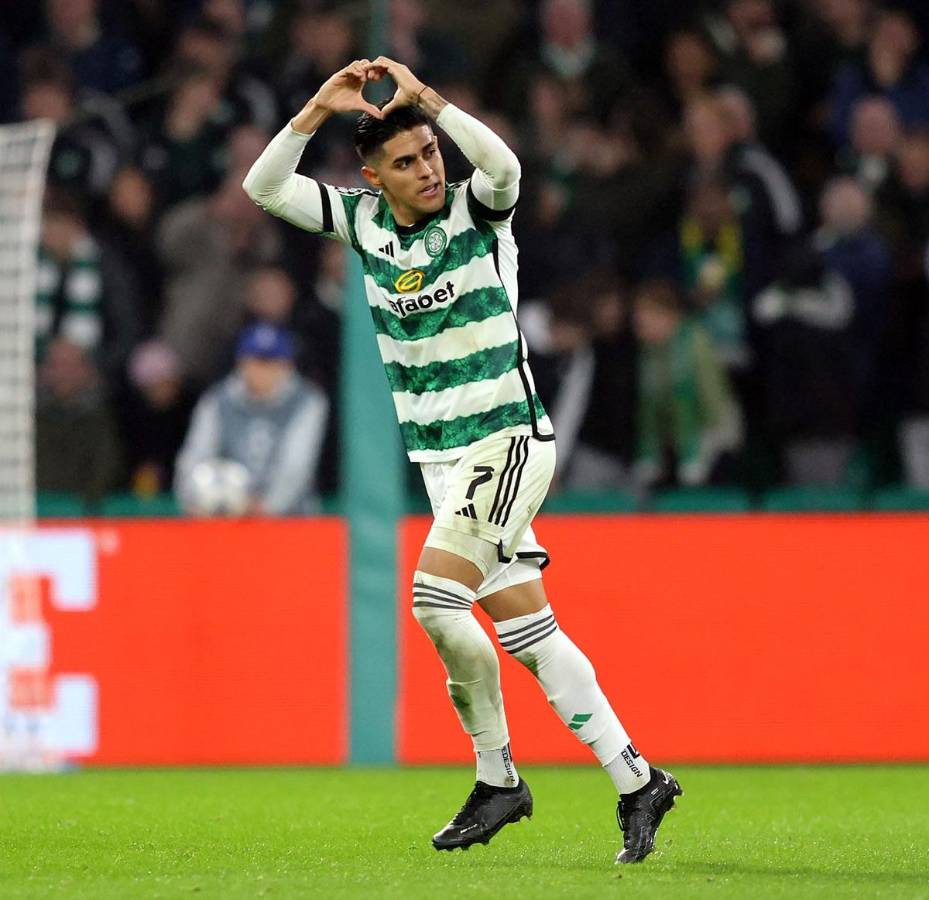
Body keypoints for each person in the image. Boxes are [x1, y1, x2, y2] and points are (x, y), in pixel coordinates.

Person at [243, 56, 682, 863]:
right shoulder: (362, 221)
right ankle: (637, 779)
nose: (426, 170)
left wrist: (429, 102)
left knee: (434, 601)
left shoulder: (477, 215)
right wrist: (314, 108)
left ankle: (498, 778)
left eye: (430, 154)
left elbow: (504, 165)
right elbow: (265, 189)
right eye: (405, 162)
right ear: (373, 176)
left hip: (504, 441)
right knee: (530, 633)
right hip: (443, 460)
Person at [174, 323, 329, 517]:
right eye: (255, 361)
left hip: (291, 521)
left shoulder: (307, 400)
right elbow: (195, 456)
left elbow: (295, 466)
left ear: (287, 365)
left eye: (270, 362)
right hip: (227, 521)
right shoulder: (218, 399)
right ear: (241, 362)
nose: (261, 370)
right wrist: (193, 499)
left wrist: (266, 507)